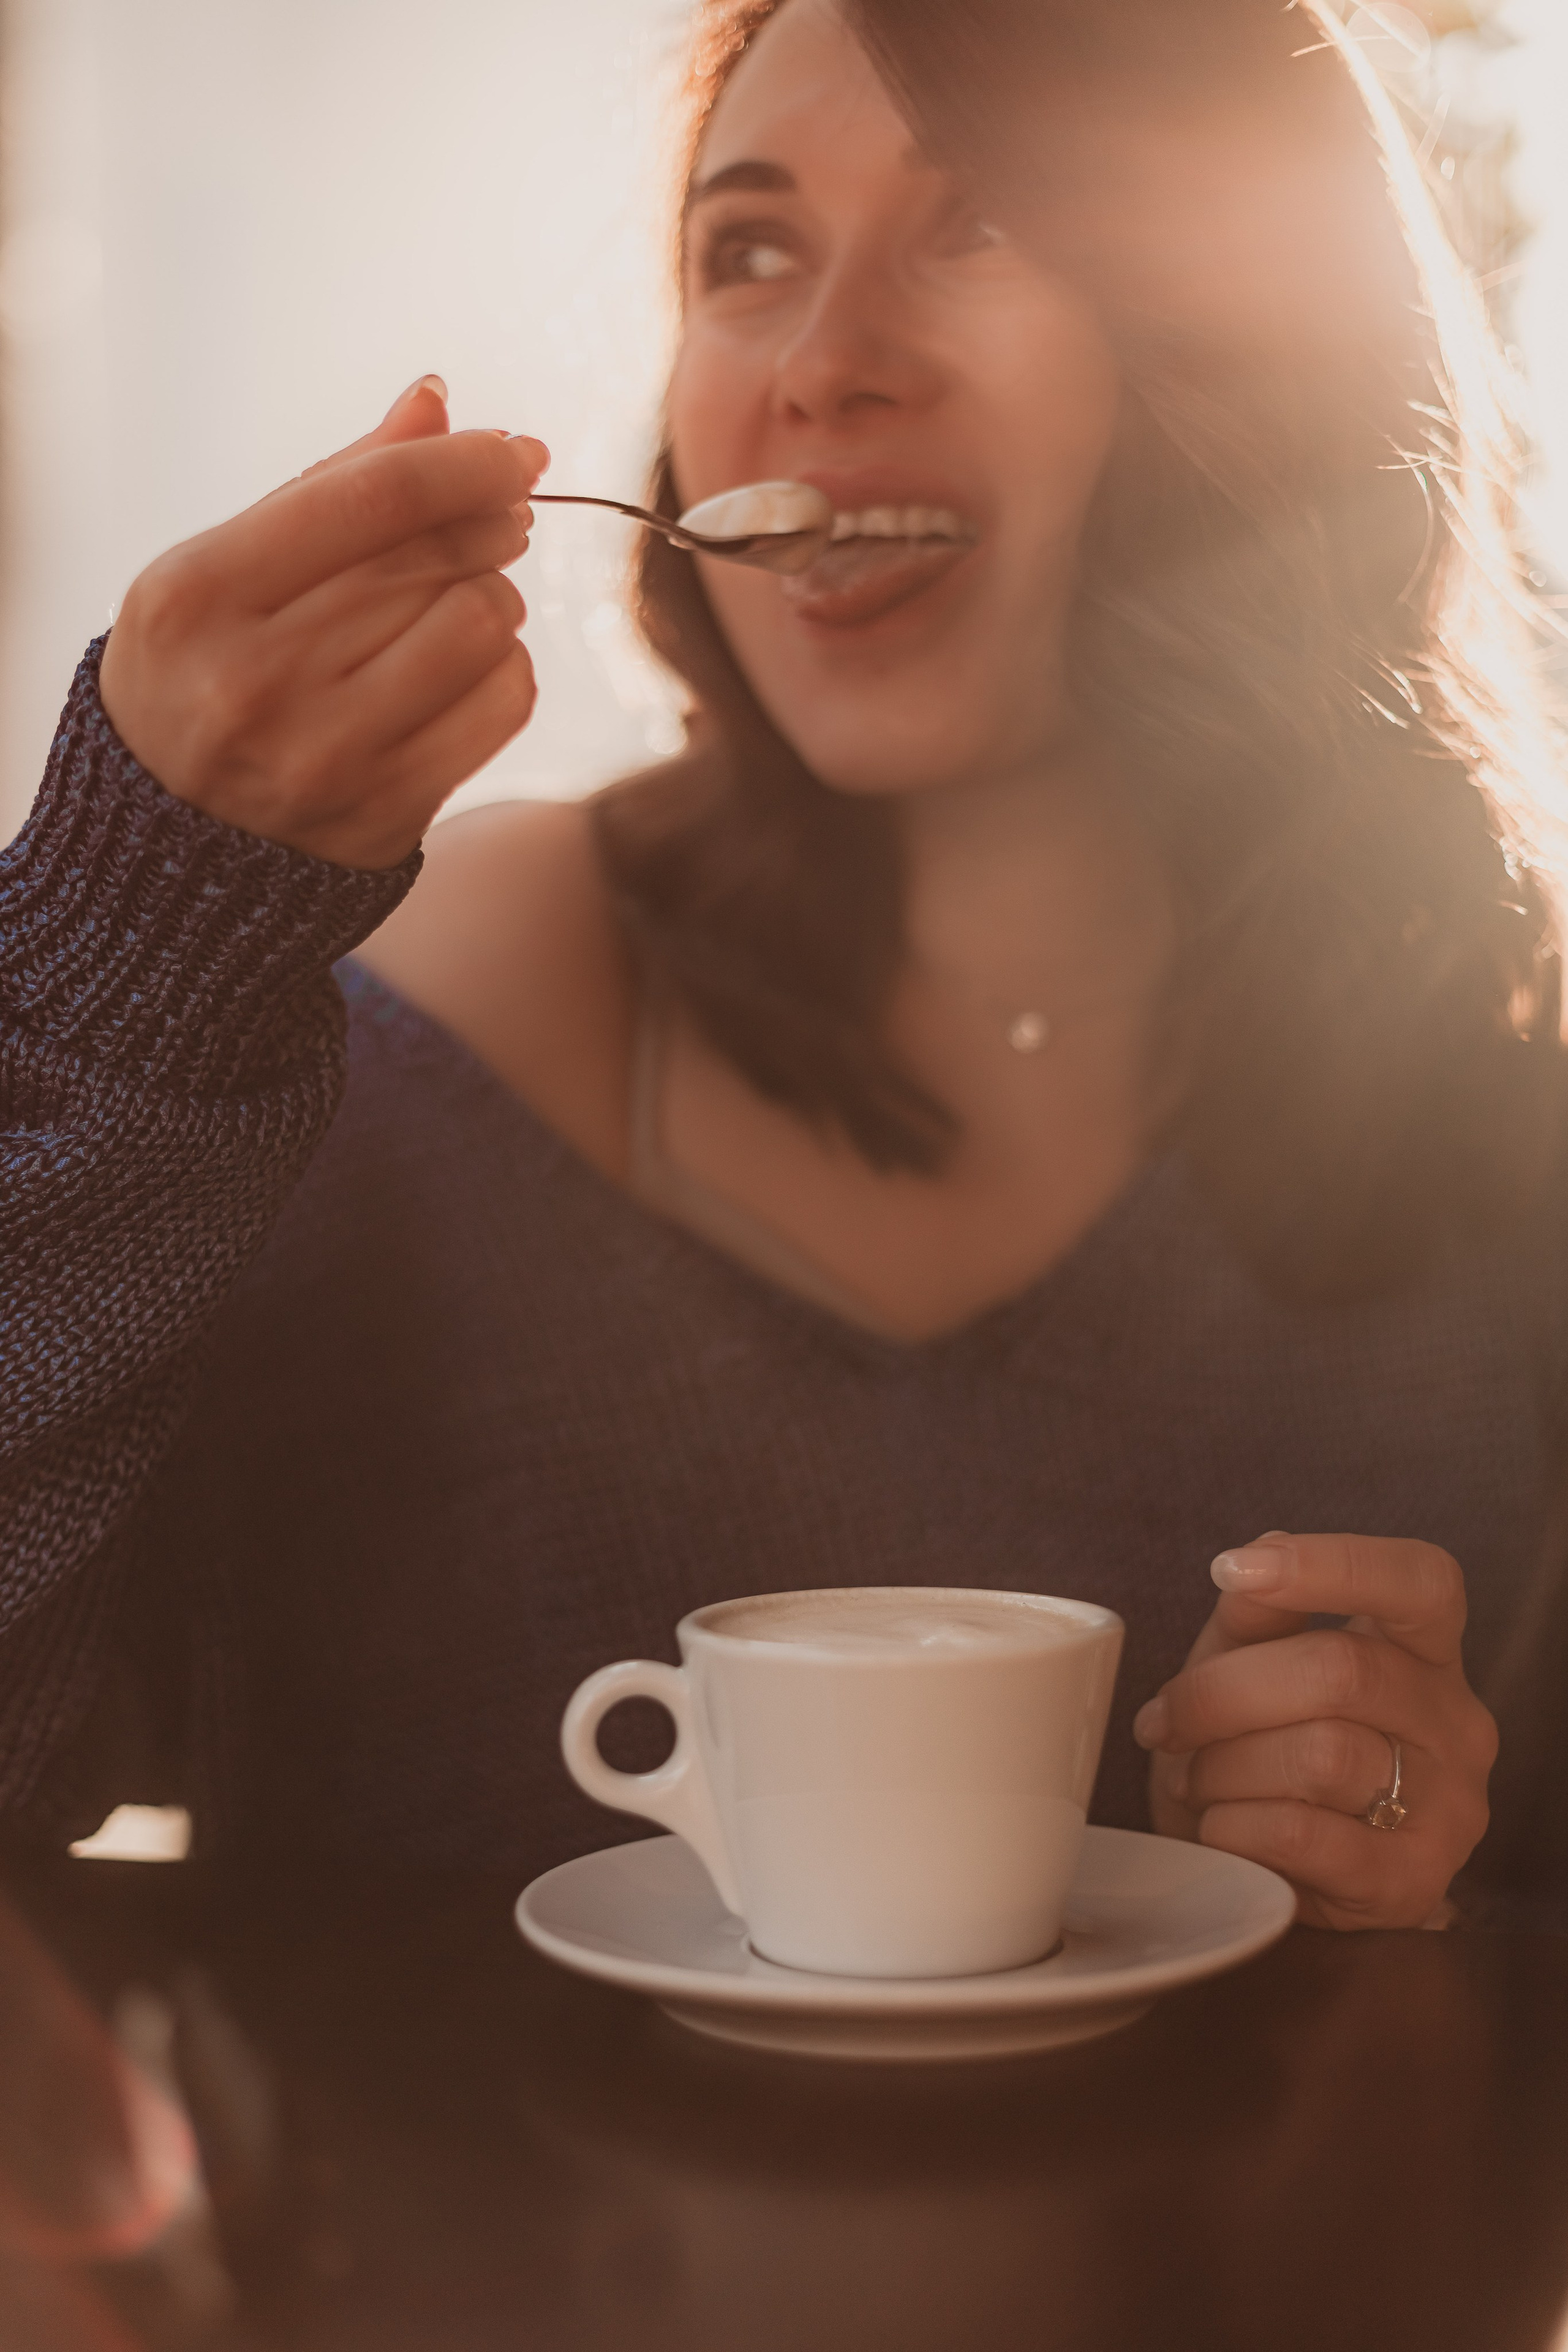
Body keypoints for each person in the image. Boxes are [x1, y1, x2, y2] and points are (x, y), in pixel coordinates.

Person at [2, 0, 1561, 1931]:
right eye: (748, 252)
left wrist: (1411, 1921)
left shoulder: (1515, 1129)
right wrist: (113, 942)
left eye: (980, 223)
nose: (822, 365)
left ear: (1258, 335)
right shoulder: (411, 1011)